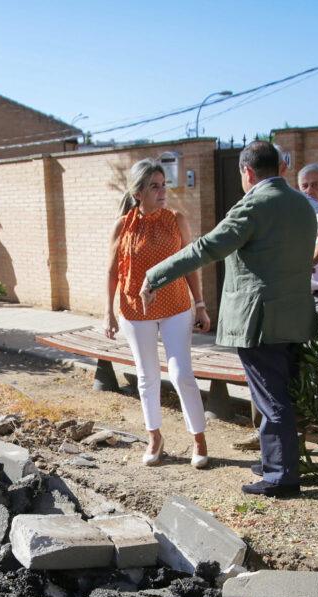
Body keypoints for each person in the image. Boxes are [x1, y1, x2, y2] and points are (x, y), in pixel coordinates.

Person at [141, 140, 317, 496]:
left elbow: (207, 248)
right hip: (297, 315)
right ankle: (277, 463)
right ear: (281, 168)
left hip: (261, 319)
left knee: (271, 398)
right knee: (284, 394)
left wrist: (155, 275)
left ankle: (281, 478)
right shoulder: (303, 203)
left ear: (246, 172)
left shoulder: (252, 205)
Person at [105, 159, 211, 470]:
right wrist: (107, 312)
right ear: (138, 192)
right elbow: (112, 271)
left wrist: (200, 304)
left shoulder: (176, 219)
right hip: (135, 311)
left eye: (163, 184)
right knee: (147, 376)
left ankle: (199, 439)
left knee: (181, 374)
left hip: (176, 306)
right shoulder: (122, 225)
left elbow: (190, 264)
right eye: (154, 186)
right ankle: (155, 437)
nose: (163, 191)